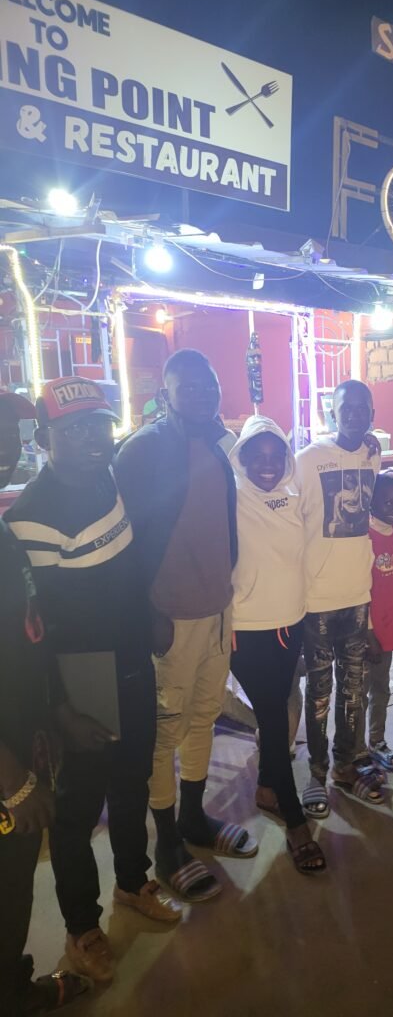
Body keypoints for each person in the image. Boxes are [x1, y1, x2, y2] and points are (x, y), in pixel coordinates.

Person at [6, 377, 180, 986]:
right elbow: (38, 632)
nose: (93, 438)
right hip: (81, 675)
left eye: (99, 425)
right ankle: (82, 927)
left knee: (133, 781)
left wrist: (151, 611)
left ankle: (133, 882)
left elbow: (126, 565)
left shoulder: (108, 479)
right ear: (45, 438)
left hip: (131, 656)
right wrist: (62, 708)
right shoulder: (29, 516)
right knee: (77, 811)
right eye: (75, 429)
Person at [114, 349, 254, 905]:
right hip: (170, 617)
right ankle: (168, 842)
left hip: (217, 610)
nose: (201, 394)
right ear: (165, 394)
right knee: (164, 731)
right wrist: (145, 612)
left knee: (204, 717)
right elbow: (123, 540)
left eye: (208, 385)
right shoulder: (143, 450)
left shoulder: (217, 445)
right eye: (188, 386)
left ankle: (194, 817)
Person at [0, 388, 91, 1015]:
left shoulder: (4, 533)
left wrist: (55, 713)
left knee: (15, 883)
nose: (5, 446)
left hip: (23, 736)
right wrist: (11, 779)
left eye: (11, 433)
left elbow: (26, 636)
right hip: (6, 772)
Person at [227, 416, 325, 873]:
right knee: (271, 715)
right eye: (257, 456)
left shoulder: (293, 496)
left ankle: (267, 787)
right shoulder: (230, 496)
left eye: (274, 456)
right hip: (246, 628)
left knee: (280, 703)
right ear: (242, 457)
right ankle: (294, 817)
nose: (267, 465)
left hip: (291, 624)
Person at [295, 379, 385, 817]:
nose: (353, 414)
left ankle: (345, 766)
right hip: (316, 599)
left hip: (357, 597)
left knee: (354, 690)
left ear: (372, 415)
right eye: (345, 407)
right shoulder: (307, 460)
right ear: (332, 412)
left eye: (361, 408)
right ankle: (316, 773)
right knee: (319, 692)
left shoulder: (372, 454)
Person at [361, 469, 393, 773]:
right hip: (369, 632)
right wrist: (368, 632)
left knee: (381, 688)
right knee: (360, 693)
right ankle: (355, 749)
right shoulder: (365, 535)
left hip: (390, 628)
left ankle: (376, 741)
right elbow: (358, 586)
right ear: (372, 500)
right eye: (387, 502)